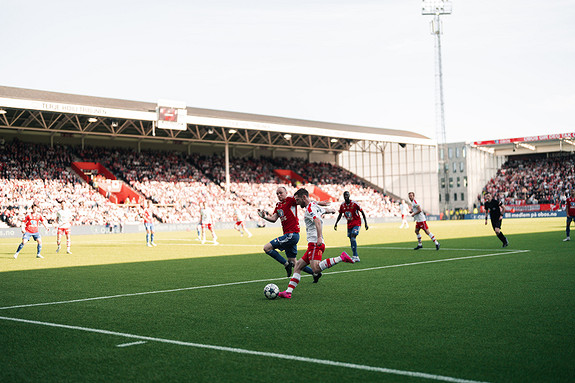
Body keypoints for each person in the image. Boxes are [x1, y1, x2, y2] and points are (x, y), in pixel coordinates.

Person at [278, 188, 355, 299]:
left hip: (315, 243)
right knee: (298, 266)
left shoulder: (310, 208)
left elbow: (317, 221)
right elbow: (324, 210)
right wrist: (331, 210)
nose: (297, 203)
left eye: (298, 200)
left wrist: (319, 237)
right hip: (312, 244)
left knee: (316, 269)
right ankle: (288, 292)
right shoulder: (314, 205)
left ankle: (341, 257)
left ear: (304, 197)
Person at [258, 186, 317, 279]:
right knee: (295, 263)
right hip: (288, 235)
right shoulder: (278, 205)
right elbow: (273, 219)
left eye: (281, 192)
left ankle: (286, 265)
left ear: (286, 193)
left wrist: (319, 204)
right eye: (277, 193)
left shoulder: (290, 200)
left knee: (267, 248)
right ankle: (315, 273)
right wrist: (264, 216)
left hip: (292, 234)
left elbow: (304, 200)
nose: (279, 195)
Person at [334, 191, 368, 262]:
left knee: (353, 237)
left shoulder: (355, 204)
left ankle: (355, 256)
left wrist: (365, 223)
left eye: (347, 195)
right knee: (351, 239)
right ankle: (355, 255)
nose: (346, 196)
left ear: (349, 195)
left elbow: (362, 212)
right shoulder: (342, 205)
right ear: (343, 196)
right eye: (345, 195)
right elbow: (340, 214)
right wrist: (336, 223)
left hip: (356, 223)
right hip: (349, 224)